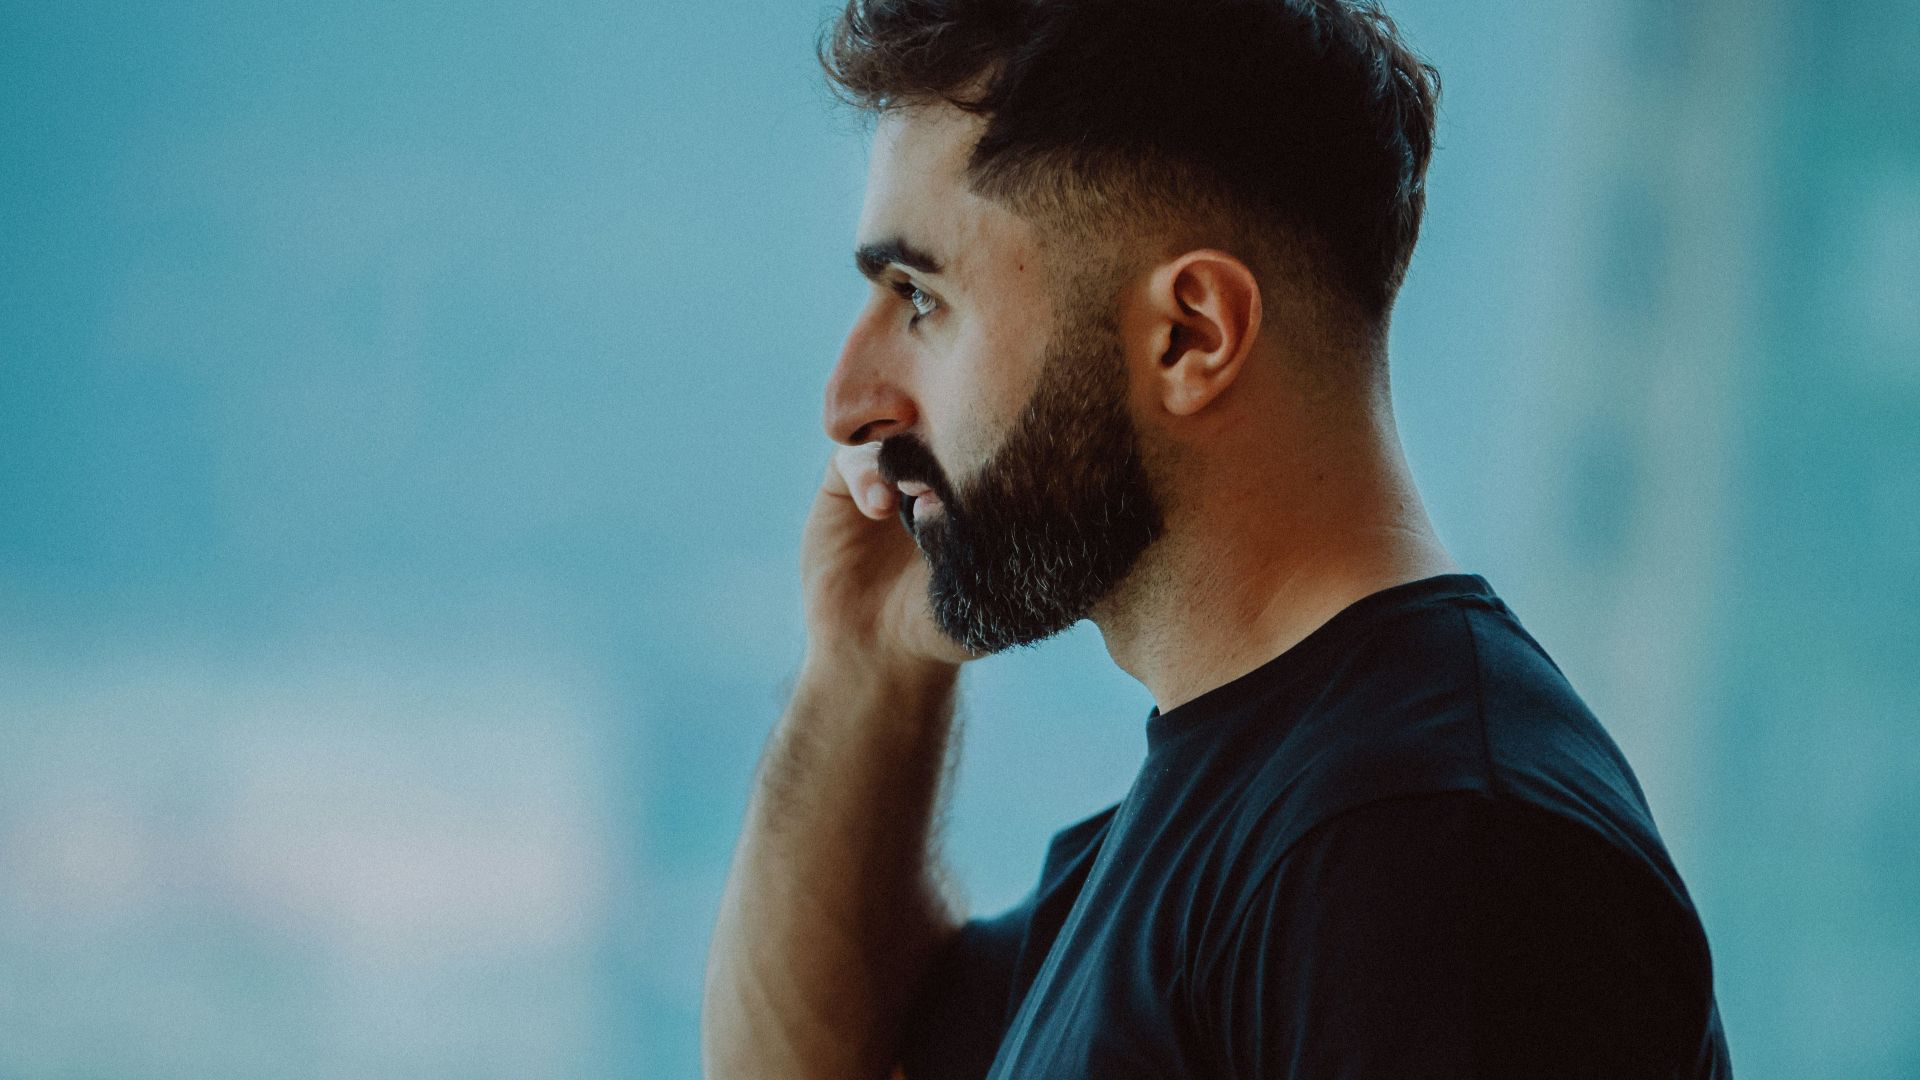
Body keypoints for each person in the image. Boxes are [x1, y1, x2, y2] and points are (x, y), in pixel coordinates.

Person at [704, 0, 1734, 1076]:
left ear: (1191, 336)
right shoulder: (1252, 823)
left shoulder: (1420, 850)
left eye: (920, 298)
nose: (848, 403)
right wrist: (866, 660)